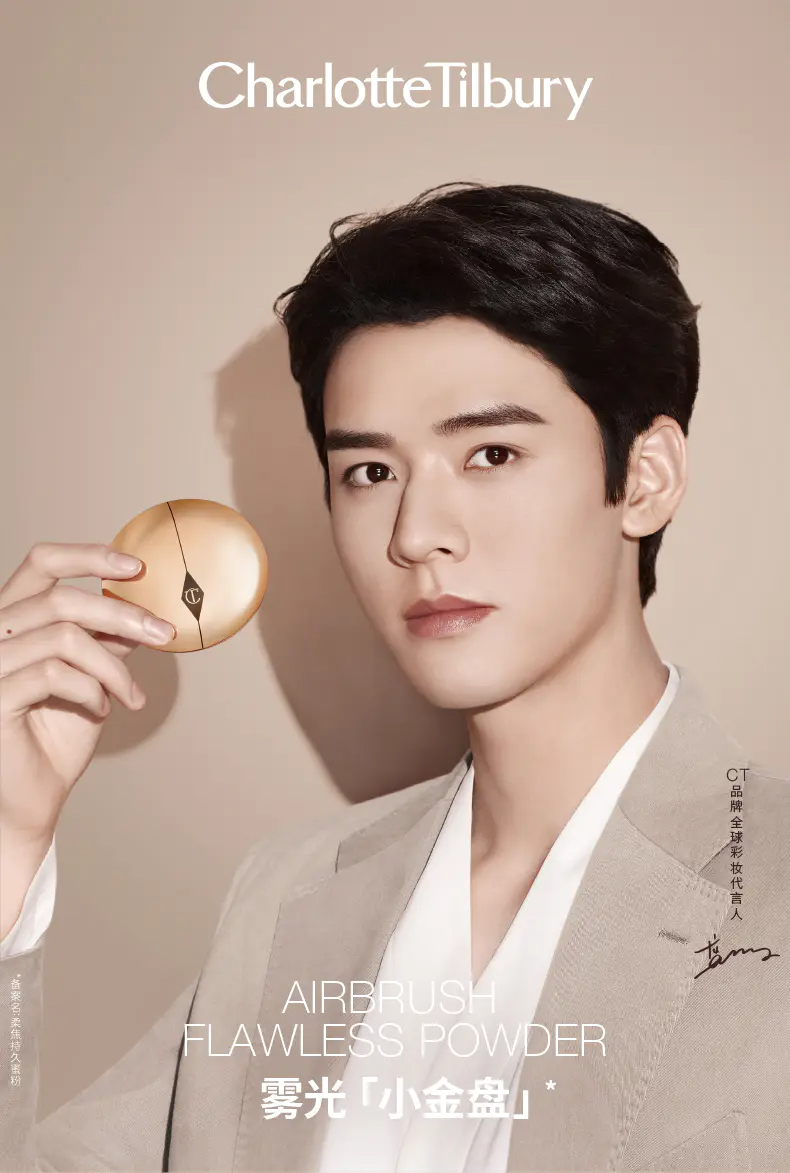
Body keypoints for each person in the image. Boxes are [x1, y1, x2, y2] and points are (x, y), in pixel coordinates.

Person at [1, 181, 788, 1172]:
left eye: (490, 452)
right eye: (370, 472)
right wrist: (9, 838)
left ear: (644, 476)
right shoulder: (286, 893)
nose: (415, 535)